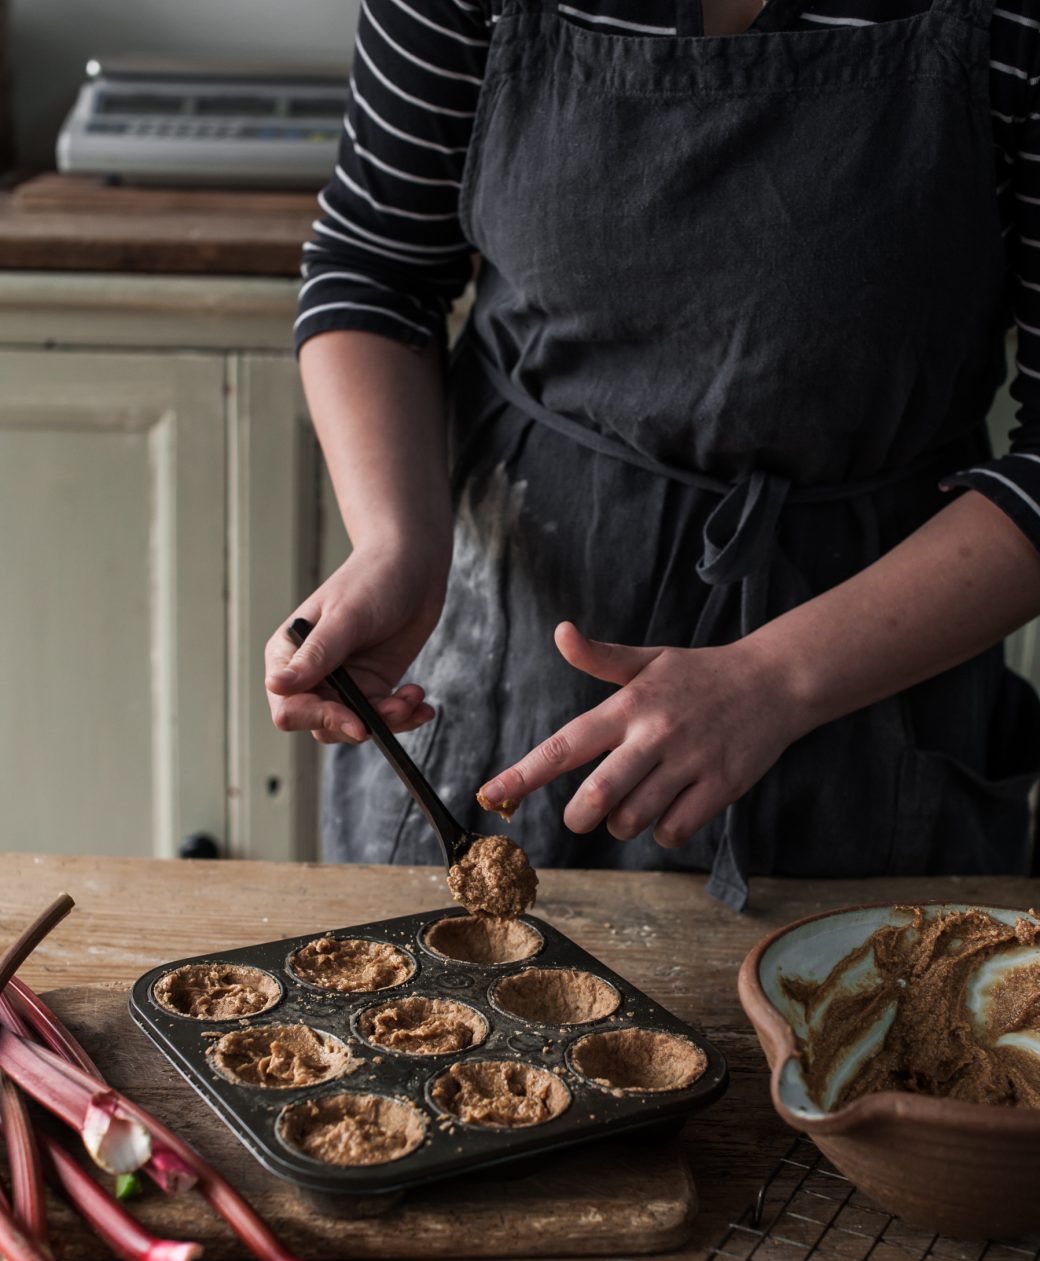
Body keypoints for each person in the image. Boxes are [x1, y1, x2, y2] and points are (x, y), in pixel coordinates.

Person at [265, 0, 1040, 911]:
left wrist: (779, 679)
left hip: (873, 687)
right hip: (509, 637)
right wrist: (395, 541)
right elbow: (375, 265)